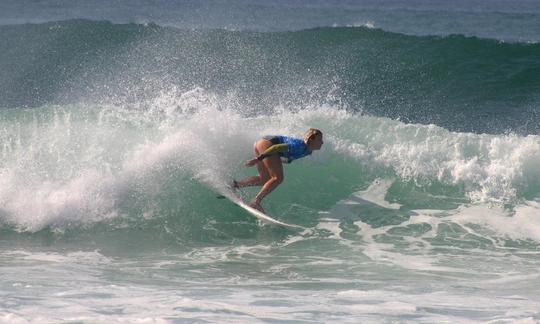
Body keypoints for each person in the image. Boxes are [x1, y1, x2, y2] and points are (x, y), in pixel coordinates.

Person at [233, 128, 323, 212]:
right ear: (311, 140)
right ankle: (255, 202)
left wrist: (281, 161)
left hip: (261, 143)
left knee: (264, 179)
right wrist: (258, 159)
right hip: (268, 144)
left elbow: (290, 156)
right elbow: (277, 148)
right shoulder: (299, 146)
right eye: (319, 140)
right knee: (277, 178)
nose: (322, 142)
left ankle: (236, 185)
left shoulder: (308, 151)